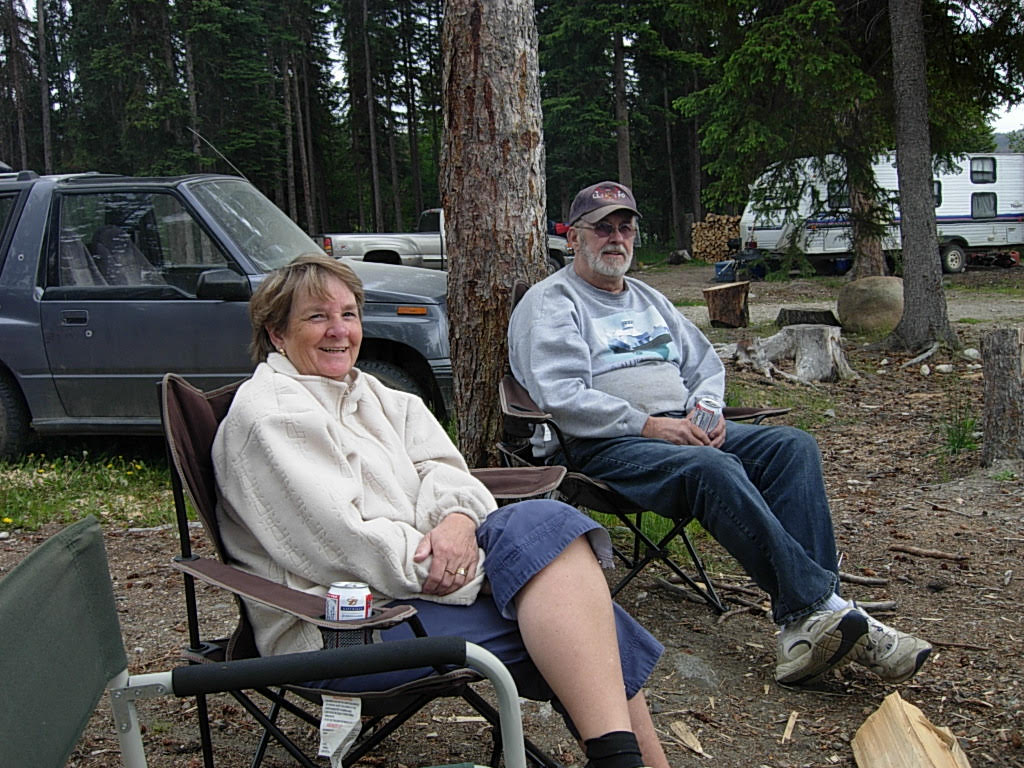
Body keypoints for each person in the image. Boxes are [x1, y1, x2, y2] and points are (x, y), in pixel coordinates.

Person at [212, 252, 670, 768]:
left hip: (409, 591)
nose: (339, 331)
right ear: (276, 334)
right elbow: (346, 546)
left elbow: (444, 469)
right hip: (339, 627)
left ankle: (623, 761)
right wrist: (488, 570)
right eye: (317, 317)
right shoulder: (273, 417)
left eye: (349, 314)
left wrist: (456, 521)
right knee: (579, 616)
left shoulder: (375, 396)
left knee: (554, 546)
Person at [508, 181, 933, 687]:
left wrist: (707, 411)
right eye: (602, 229)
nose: (615, 238)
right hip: (606, 445)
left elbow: (704, 364)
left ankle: (810, 624)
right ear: (574, 238)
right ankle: (824, 610)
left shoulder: (649, 299)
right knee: (713, 468)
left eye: (625, 227)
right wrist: (651, 425)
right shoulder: (552, 301)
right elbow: (563, 396)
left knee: (792, 447)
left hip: (681, 429)